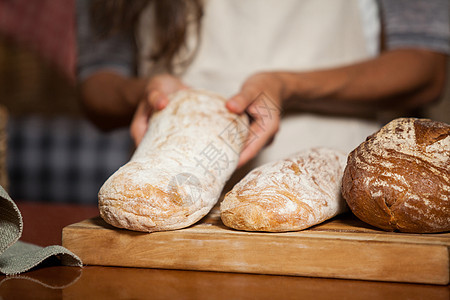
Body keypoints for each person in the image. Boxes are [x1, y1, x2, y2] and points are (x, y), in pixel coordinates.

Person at [77, 0, 449, 170]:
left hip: (337, 186)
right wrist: (146, 92)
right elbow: (97, 81)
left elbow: (426, 68)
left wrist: (286, 86)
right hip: (167, 182)